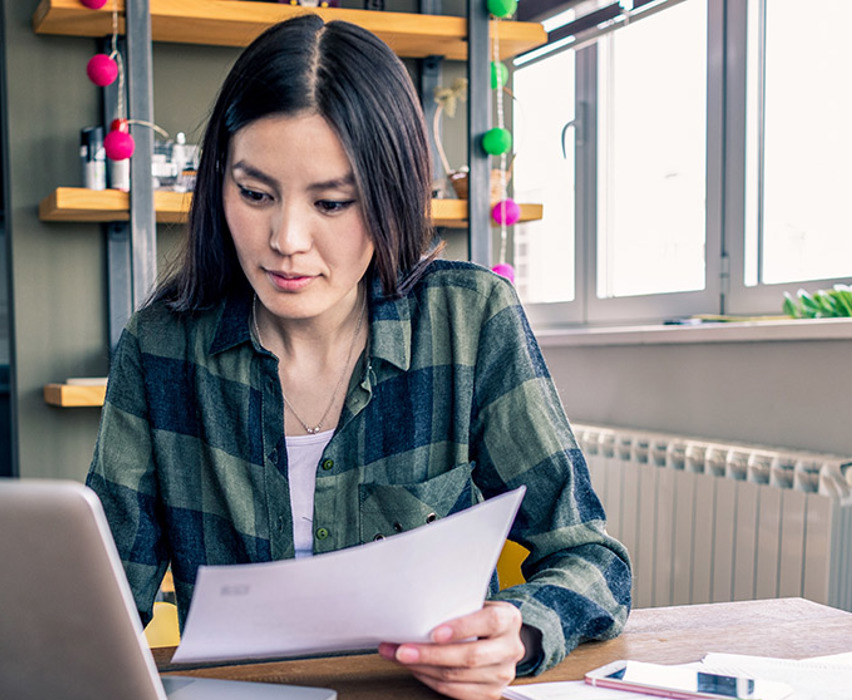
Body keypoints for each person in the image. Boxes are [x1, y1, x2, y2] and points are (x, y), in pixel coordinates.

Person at [87, 15, 631, 700]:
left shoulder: (469, 320)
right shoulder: (159, 347)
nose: (287, 239)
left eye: (332, 202)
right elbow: (105, 600)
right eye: (255, 194)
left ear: (390, 197)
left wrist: (517, 632)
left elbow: (591, 560)